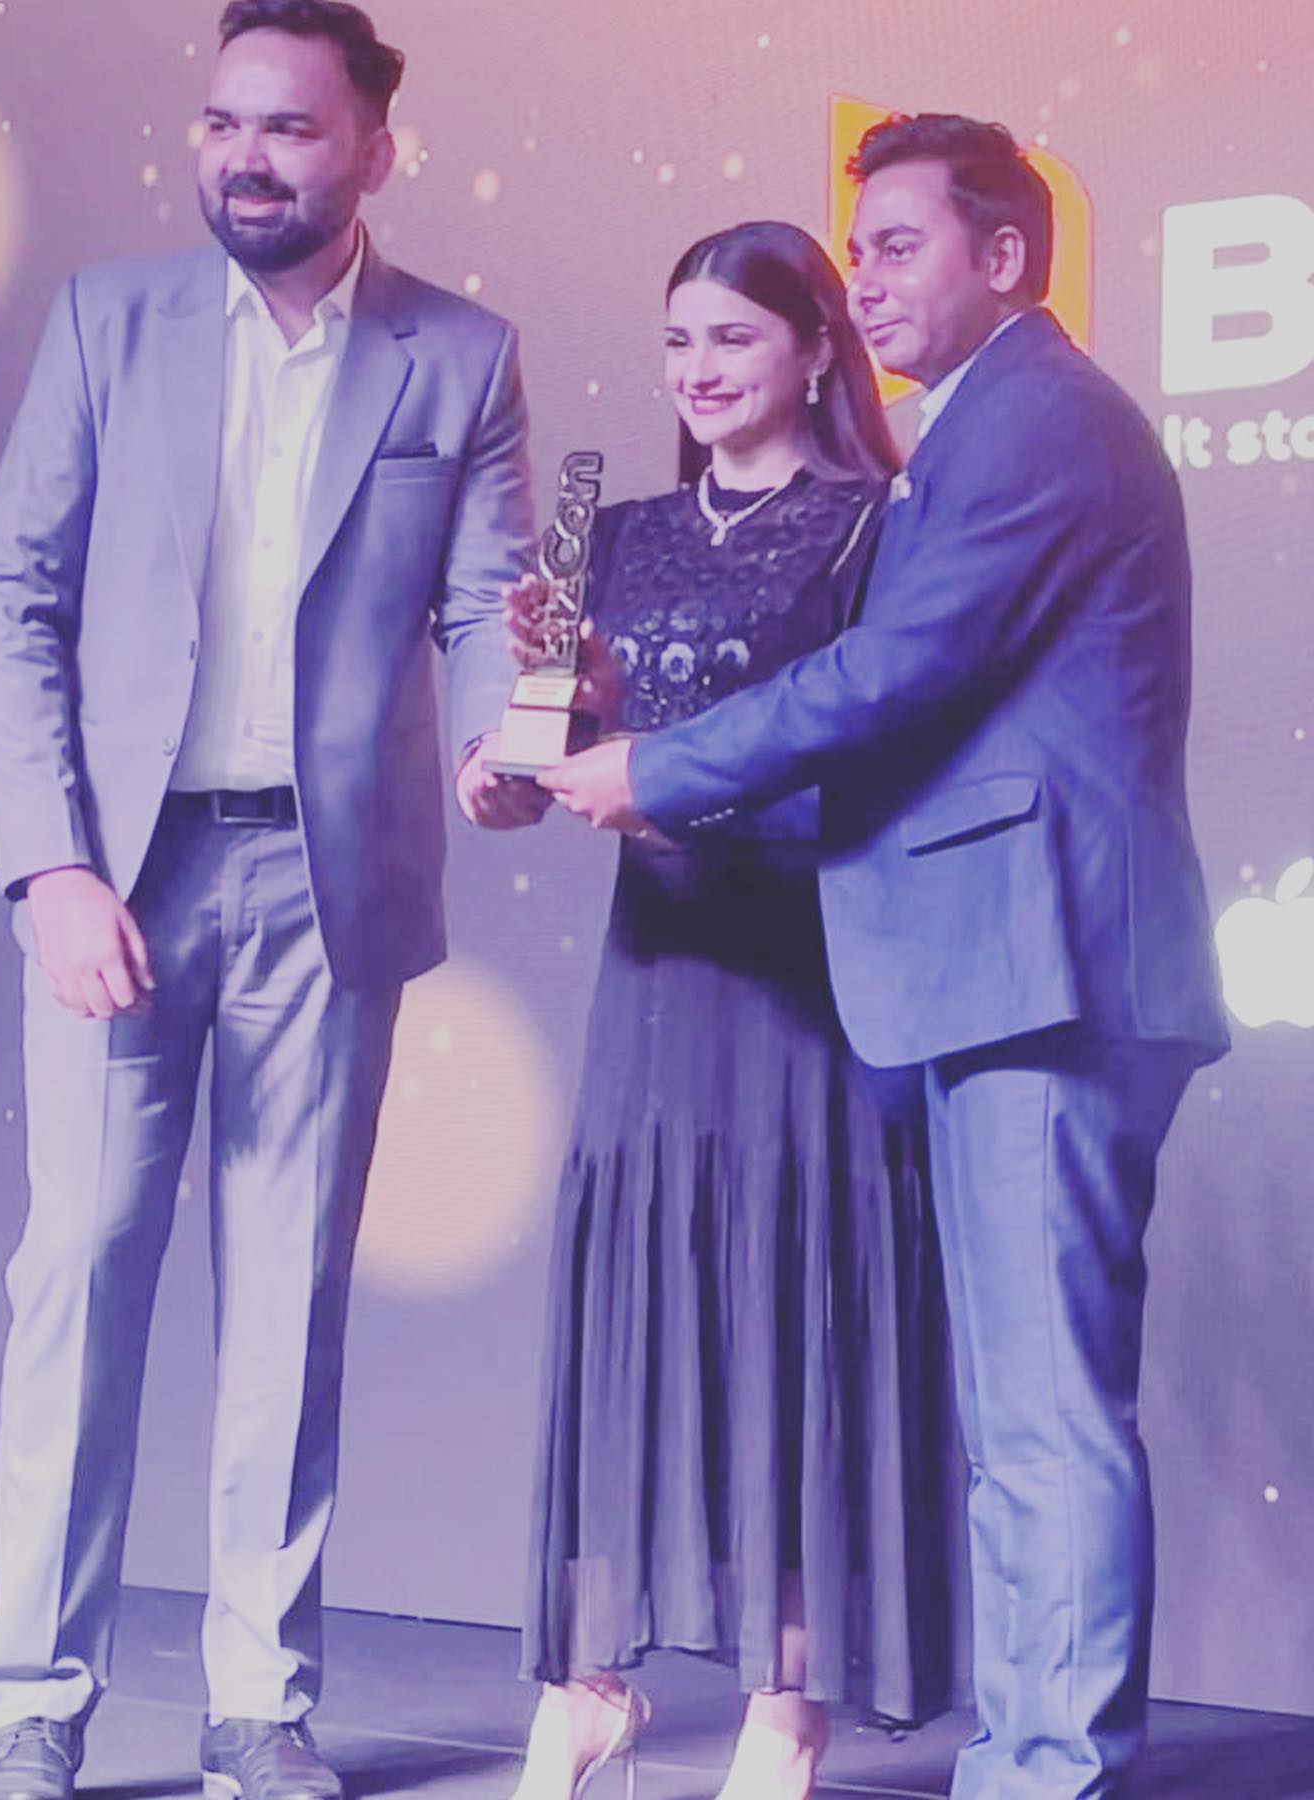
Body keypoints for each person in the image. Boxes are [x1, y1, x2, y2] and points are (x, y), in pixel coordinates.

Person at [541, 117, 1229, 1799]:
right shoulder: (980, 424)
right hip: (1004, 969)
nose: (868, 283)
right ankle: (1028, 1755)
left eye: (900, 246)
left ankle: (1047, 1769)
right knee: (1021, 1422)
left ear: (1006, 255)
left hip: (1049, 968)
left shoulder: (1039, 417)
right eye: (858, 253)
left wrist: (660, 770)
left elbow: (896, 673)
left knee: (1045, 1420)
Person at [0, 4, 541, 1797]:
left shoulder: (462, 353)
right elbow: (14, 596)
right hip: (120, 872)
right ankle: (35, 1704)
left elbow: (488, 599)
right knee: (82, 1276)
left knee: (288, 1303)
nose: (246, 156)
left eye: (289, 127)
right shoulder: (107, 323)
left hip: (329, 880)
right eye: (223, 121)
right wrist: (54, 864)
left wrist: (499, 745)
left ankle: (258, 1703)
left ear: (375, 148)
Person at [500, 222, 962, 1800]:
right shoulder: (606, 527)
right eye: (678, 340)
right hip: (655, 973)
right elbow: (527, 771)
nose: (697, 371)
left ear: (818, 350)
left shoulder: (876, 526)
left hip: (809, 973)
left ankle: (787, 1707)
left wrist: (666, 777)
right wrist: (523, 750)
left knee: (794, 1313)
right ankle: (590, 1687)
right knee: (635, 1306)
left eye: (734, 338)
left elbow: (882, 751)